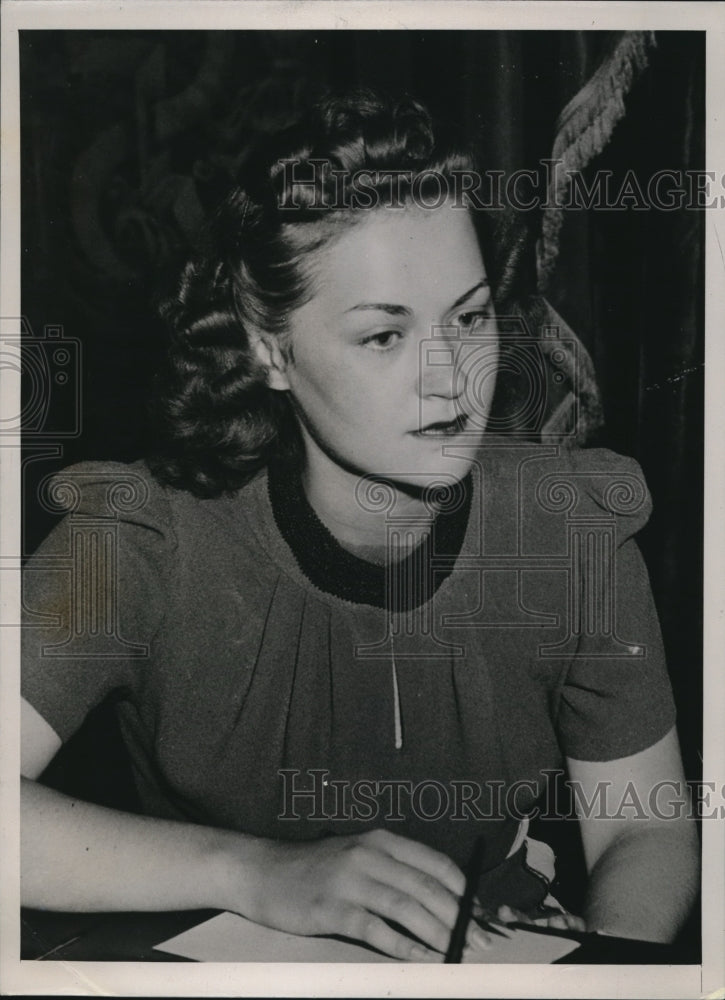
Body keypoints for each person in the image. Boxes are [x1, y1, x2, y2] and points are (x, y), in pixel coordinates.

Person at [20, 89, 698, 962]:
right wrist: (257, 872)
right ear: (269, 347)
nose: (453, 380)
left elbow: (643, 830)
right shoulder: (137, 539)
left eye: (470, 316)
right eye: (384, 336)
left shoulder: (570, 528)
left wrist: (597, 965)